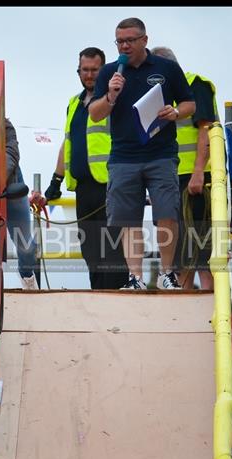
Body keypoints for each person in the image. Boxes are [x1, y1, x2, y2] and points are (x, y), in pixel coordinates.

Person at [89, 17, 195, 290]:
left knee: (167, 213)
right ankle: (134, 277)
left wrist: (175, 112)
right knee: (128, 219)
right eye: (119, 41)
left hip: (161, 154)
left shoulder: (167, 68)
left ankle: (166, 274)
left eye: (130, 41)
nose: (124, 46)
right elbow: (95, 114)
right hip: (124, 157)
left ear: (144, 40)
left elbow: (189, 103)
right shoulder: (110, 72)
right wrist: (111, 96)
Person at [40, 47, 128, 289]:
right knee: (90, 250)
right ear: (78, 71)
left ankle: (117, 299)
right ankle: (97, 296)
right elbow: (67, 143)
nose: (89, 75)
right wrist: (55, 181)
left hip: (111, 185)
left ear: (105, 71)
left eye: (94, 70)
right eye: (84, 70)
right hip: (83, 188)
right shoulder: (73, 103)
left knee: (112, 248)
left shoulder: (115, 99)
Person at [151, 46, 217, 290]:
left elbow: (206, 129)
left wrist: (199, 172)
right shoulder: (159, 96)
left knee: (201, 254)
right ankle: (181, 312)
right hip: (167, 178)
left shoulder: (194, 84)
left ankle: (210, 315)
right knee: (177, 254)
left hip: (195, 180)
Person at [4, 117, 41, 290]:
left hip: (11, 183)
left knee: (26, 245)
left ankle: (27, 276)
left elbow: (11, 155)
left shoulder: (5, 125)